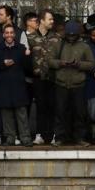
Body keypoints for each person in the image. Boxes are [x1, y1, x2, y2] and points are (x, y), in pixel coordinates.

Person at [48, 21, 95, 147]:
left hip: (78, 84)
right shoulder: (59, 44)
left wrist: (79, 64)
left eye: (74, 35)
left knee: (79, 113)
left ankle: (79, 138)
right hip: (61, 83)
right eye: (69, 35)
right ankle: (60, 138)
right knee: (60, 112)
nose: (71, 37)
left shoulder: (84, 46)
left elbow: (91, 64)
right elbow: (50, 61)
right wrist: (60, 63)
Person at [0, 25, 32, 147]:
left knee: (21, 113)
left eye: (11, 33)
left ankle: (25, 138)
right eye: (6, 33)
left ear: (14, 35)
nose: (9, 35)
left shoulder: (21, 48)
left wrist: (28, 56)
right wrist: (3, 64)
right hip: (3, 86)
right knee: (6, 114)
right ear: (3, 35)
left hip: (18, 85)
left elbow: (28, 67)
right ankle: (10, 138)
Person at [28, 9, 58, 145]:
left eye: (52, 19)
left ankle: (52, 135)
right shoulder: (31, 38)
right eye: (49, 19)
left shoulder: (57, 38)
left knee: (52, 106)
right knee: (40, 106)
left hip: (53, 78)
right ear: (41, 20)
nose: (52, 21)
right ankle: (39, 134)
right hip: (38, 78)